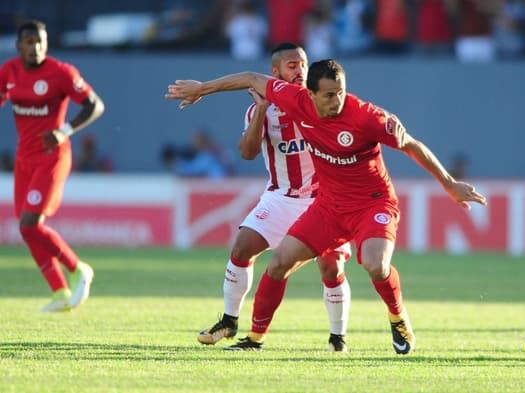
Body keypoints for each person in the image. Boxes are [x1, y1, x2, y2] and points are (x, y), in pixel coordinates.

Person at [165, 59, 486, 354]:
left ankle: (398, 318)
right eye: (329, 95)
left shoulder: (367, 117)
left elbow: (412, 145)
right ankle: (255, 340)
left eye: (340, 92)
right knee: (278, 264)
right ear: (310, 95)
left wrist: (449, 184)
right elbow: (251, 77)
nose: (337, 101)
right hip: (329, 207)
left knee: (375, 264)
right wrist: (203, 89)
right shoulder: (295, 100)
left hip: (372, 203)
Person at [196, 43, 352, 352]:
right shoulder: (259, 110)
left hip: (324, 199)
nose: (299, 70)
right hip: (282, 196)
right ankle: (229, 320)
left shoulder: (324, 101)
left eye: (303, 64)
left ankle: (338, 338)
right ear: (276, 72)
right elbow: (248, 153)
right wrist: (263, 111)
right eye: (292, 65)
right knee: (242, 247)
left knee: (331, 267)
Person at [0, 20, 104, 312]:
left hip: (52, 156)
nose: (36, 47)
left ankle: (78, 269)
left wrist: (64, 130)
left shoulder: (60, 73)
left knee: (30, 222)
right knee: (28, 229)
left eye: (40, 41)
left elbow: (94, 104)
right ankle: (59, 292)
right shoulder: (9, 71)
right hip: (25, 158)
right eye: (30, 42)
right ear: (19, 45)